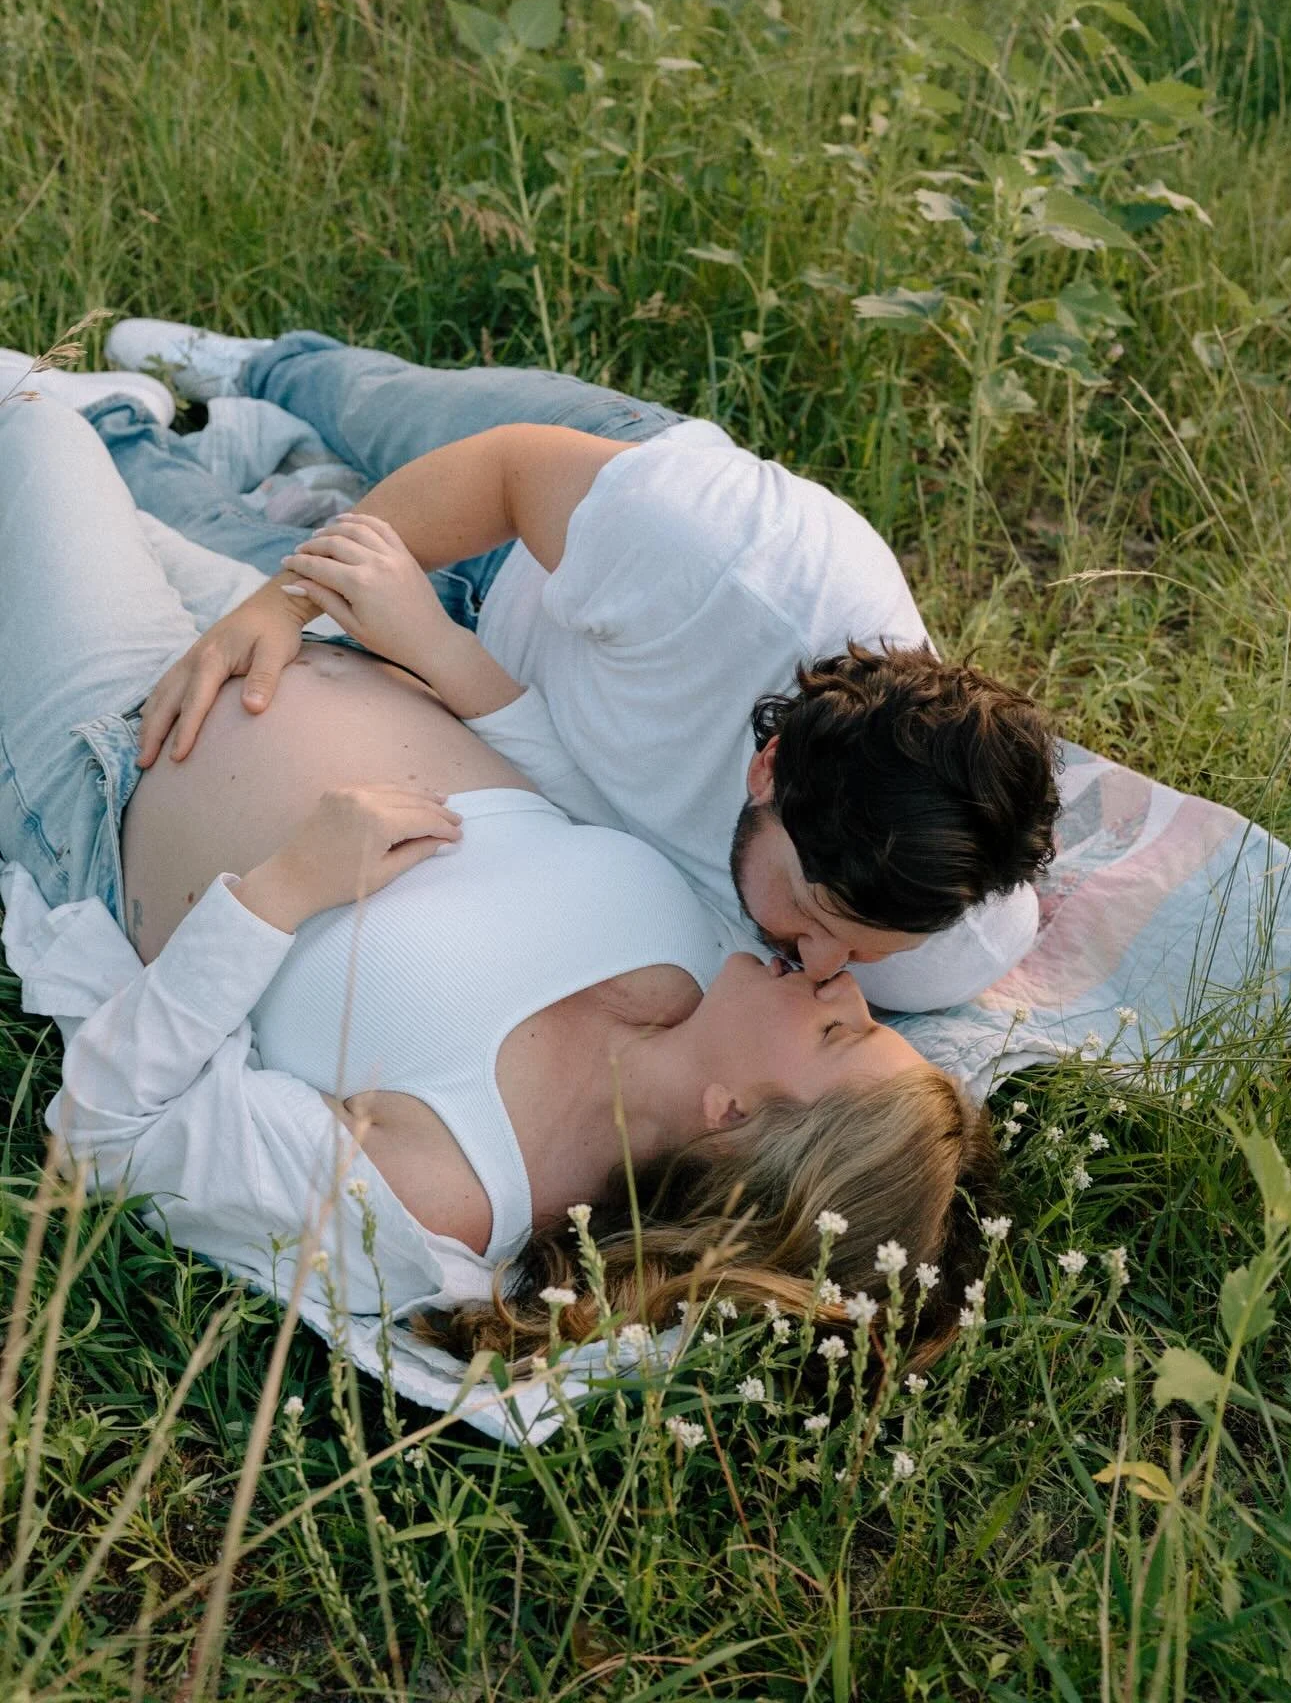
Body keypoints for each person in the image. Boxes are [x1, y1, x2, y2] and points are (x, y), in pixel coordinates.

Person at [0, 381, 1001, 1371]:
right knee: (95, 478)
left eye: (840, 1032)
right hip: (310, 639)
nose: (845, 985)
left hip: (118, 748)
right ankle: (168, 432)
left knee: (35, 422)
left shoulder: (447, 1191)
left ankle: (136, 422)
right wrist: (428, 643)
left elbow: (104, 1133)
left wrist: (286, 891)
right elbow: (558, 793)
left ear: (732, 1114)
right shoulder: (711, 960)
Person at [91, 320, 1061, 1014]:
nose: (817, 967)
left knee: (185, 537)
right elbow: (504, 474)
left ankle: (110, 426)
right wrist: (280, 606)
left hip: (470, 676)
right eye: (810, 916)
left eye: (860, 952)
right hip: (549, 518)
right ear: (768, 771)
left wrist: (418, 641)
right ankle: (267, 370)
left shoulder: (940, 936)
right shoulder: (725, 558)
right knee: (375, 410)